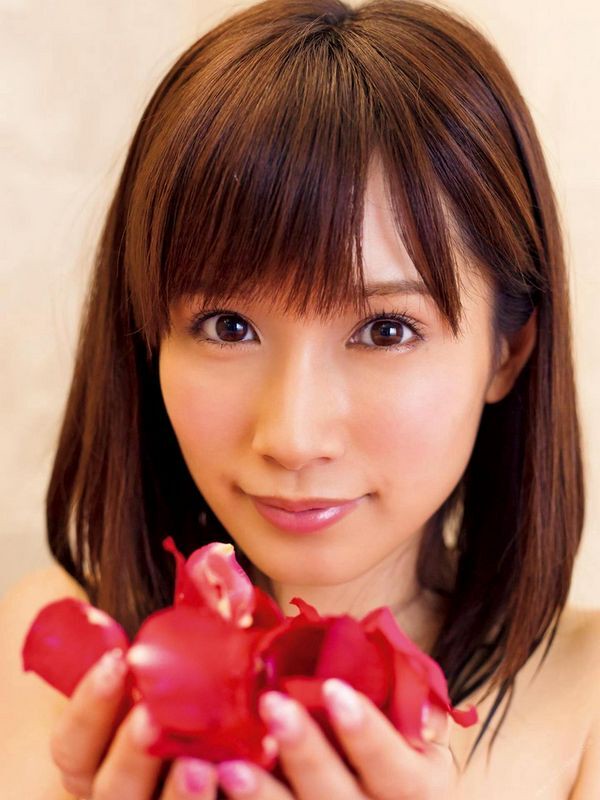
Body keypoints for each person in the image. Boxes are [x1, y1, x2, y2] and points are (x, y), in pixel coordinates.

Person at [1, 0, 599, 797]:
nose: (290, 434)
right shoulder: (56, 675)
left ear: (507, 351)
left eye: (386, 330)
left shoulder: (586, 704)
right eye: (228, 326)